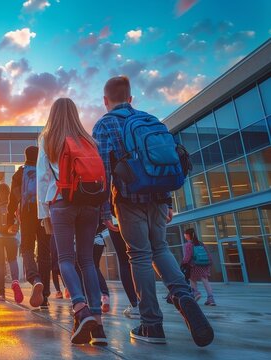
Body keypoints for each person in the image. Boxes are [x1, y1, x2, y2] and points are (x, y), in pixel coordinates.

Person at [92, 76, 213, 346]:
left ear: (105, 100)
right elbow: (164, 161)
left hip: (129, 198)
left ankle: (151, 325)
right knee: (160, 249)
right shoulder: (150, 120)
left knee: (140, 256)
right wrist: (168, 202)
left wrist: (103, 212)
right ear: (131, 98)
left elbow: (104, 171)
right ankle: (183, 296)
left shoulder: (104, 124)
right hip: (158, 197)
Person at [38, 98, 106, 346]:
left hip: (61, 202)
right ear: (75, 114)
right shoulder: (88, 140)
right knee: (87, 261)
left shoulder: (48, 139)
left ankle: (80, 308)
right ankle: (98, 326)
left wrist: (43, 213)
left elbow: (43, 178)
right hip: (89, 203)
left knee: (65, 259)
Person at [8, 146, 52, 308]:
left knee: (26, 248)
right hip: (44, 214)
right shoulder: (44, 171)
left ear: (25, 156)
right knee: (44, 253)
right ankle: (45, 298)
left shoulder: (20, 174)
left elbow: (12, 200)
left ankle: (35, 279)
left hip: (27, 215)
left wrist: (9, 220)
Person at [0, 184, 22, 303]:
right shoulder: (13, 200)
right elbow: (19, 218)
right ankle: (15, 282)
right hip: (12, 236)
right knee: (12, 260)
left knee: (0, 264)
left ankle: (1, 293)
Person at [107, 219, 140, 317]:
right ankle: (146, 303)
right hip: (136, 217)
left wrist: (106, 220)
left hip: (116, 220)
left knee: (124, 261)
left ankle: (135, 305)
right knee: (140, 258)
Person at [182, 228, 216, 306]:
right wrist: (209, 262)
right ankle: (211, 299)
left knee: (192, 279)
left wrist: (183, 263)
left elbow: (187, 257)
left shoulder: (188, 244)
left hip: (194, 265)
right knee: (205, 281)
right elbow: (208, 254)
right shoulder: (201, 243)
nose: (184, 236)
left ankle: (196, 293)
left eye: (185, 234)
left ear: (187, 235)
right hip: (204, 265)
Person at [92, 226, 110, 313]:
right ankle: (105, 295)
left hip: (86, 240)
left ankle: (93, 299)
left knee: (86, 269)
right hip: (99, 240)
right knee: (95, 267)